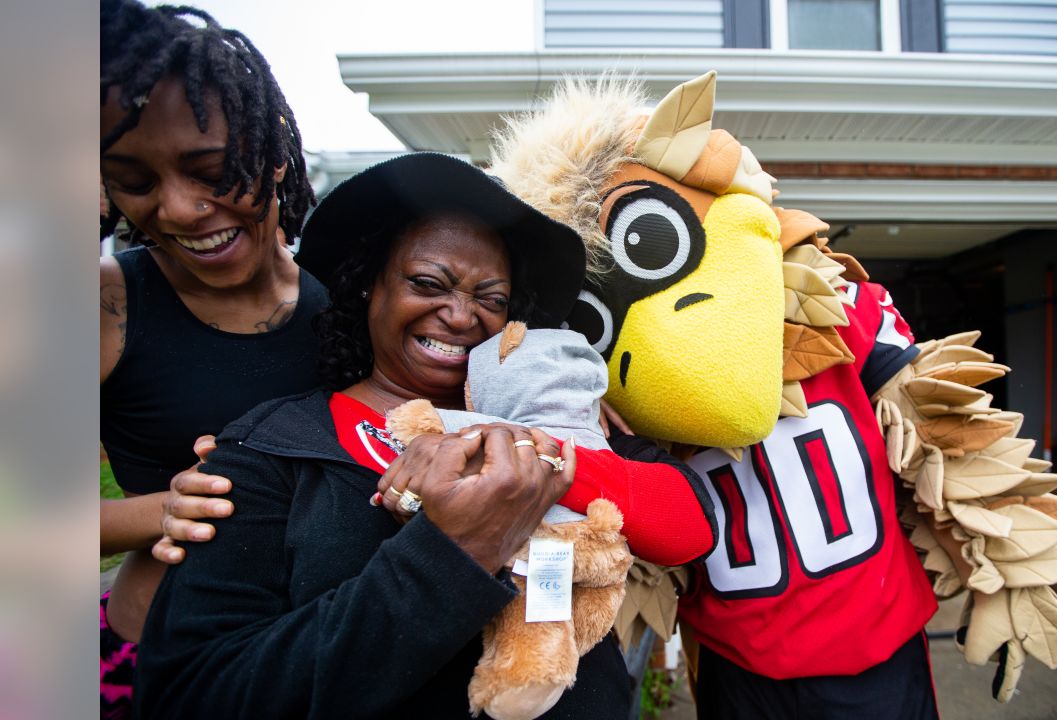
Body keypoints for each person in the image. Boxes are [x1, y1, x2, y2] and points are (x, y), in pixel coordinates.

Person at [135, 152, 715, 718]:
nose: (461, 316)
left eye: (491, 299)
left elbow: (689, 528)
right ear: (369, 287)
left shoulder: (562, 416)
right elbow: (190, 692)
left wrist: (526, 448)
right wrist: (452, 552)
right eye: (428, 282)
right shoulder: (271, 449)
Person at [99, 2, 321, 716]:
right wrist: (166, 510)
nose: (178, 208)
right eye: (132, 179)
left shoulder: (347, 296)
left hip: (328, 661)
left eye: (213, 169)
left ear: (275, 151)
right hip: (157, 665)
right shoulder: (102, 305)